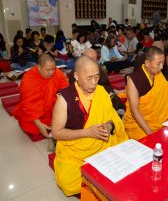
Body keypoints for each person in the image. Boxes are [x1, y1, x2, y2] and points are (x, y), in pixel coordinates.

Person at [52, 56, 128, 196]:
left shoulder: (101, 92)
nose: (94, 83)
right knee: (68, 183)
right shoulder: (64, 100)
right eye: (89, 78)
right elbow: (56, 133)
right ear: (76, 76)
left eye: (97, 77)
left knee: (125, 159)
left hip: (102, 144)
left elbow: (112, 119)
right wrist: (87, 133)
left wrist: (109, 126)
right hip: (76, 152)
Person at [123, 46, 168, 140]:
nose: (161, 67)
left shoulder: (158, 74)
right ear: (147, 63)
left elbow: (167, 100)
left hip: (160, 119)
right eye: (158, 63)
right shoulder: (134, 80)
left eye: (163, 63)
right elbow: (135, 111)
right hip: (138, 124)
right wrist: (151, 134)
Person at [13, 54, 69, 138]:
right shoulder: (29, 78)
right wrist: (39, 124)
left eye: (53, 69)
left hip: (54, 110)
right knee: (30, 126)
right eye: (48, 70)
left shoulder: (57, 73)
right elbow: (27, 105)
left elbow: (66, 92)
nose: (51, 72)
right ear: (38, 67)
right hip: (36, 114)